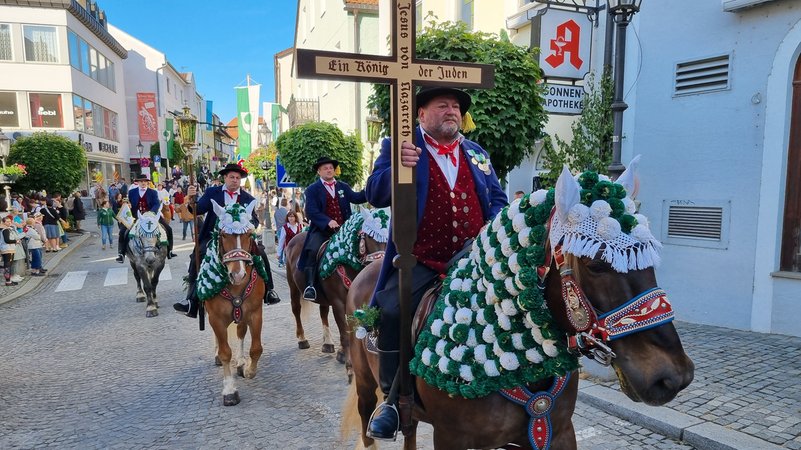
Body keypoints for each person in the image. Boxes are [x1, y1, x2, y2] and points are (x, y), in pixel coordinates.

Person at [363, 86, 507, 439]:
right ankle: (392, 401)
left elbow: (499, 200)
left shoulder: (476, 153)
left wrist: (498, 226)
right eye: (442, 105)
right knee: (394, 310)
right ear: (421, 114)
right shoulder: (399, 147)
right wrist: (399, 164)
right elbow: (375, 193)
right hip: (421, 262)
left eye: (456, 107)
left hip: (476, 260)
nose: (452, 111)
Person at [173, 163, 281, 318]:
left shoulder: (247, 198)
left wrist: (250, 227)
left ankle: (269, 291)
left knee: (261, 254)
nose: (235, 180)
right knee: (198, 255)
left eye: (238, 178)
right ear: (225, 178)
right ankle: (191, 300)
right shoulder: (212, 193)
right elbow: (198, 210)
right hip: (214, 237)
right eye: (232, 177)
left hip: (241, 239)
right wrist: (191, 199)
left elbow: (255, 221)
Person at [298, 156, 367, 302]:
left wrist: (371, 188)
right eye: (325, 168)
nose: (329, 170)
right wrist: (327, 221)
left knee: (363, 247)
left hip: (345, 231)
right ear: (319, 171)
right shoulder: (312, 190)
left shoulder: (343, 186)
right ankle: (310, 286)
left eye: (331, 168)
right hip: (322, 231)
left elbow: (357, 197)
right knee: (312, 250)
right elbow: (311, 211)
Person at [116, 174, 177, 263]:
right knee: (122, 231)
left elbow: (156, 204)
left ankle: (169, 251)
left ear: (147, 182)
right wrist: (128, 205)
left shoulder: (153, 192)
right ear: (138, 182)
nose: (143, 183)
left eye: (145, 181)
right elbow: (128, 202)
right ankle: (121, 253)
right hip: (136, 217)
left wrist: (150, 213)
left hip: (151, 216)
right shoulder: (132, 191)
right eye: (141, 181)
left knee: (168, 228)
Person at [1, 214, 19, 286]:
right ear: (3, 222)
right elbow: (7, 240)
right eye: (7, 221)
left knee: (9, 265)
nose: (9, 223)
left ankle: (9, 280)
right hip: (7, 249)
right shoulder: (5, 230)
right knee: (7, 265)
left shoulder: (8, 229)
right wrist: (15, 241)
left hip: (9, 249)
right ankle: (8, 281)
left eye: (10, 221)